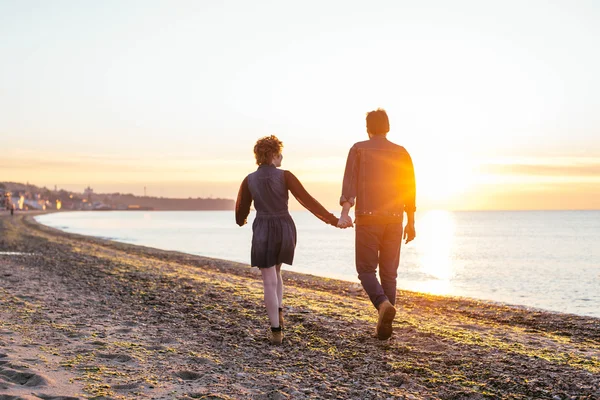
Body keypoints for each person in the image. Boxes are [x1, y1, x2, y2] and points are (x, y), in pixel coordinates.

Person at [235, 135, 341, 345]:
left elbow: (240, 213)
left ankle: (276, 330)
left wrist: (243, 220)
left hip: (263, 229)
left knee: (269, 280)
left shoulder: (249, 180)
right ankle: (279, 312)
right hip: (285, 228)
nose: (282, 156)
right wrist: (332, 220)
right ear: (274, 154)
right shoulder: (286, 176)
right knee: (277, 271)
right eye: (280, 153)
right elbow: (308, 200)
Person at [338, 108, 416, 340]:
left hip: (368, 218)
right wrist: (411, 222)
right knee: (389, 274)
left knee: (365, 270)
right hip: (395, 219)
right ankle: (385, 327)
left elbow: (349, 183)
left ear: (368, 128)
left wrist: (345, 212)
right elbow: (409, 189)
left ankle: (382, 305)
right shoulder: (402, 153)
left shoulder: (358, 149)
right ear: (388, 127)